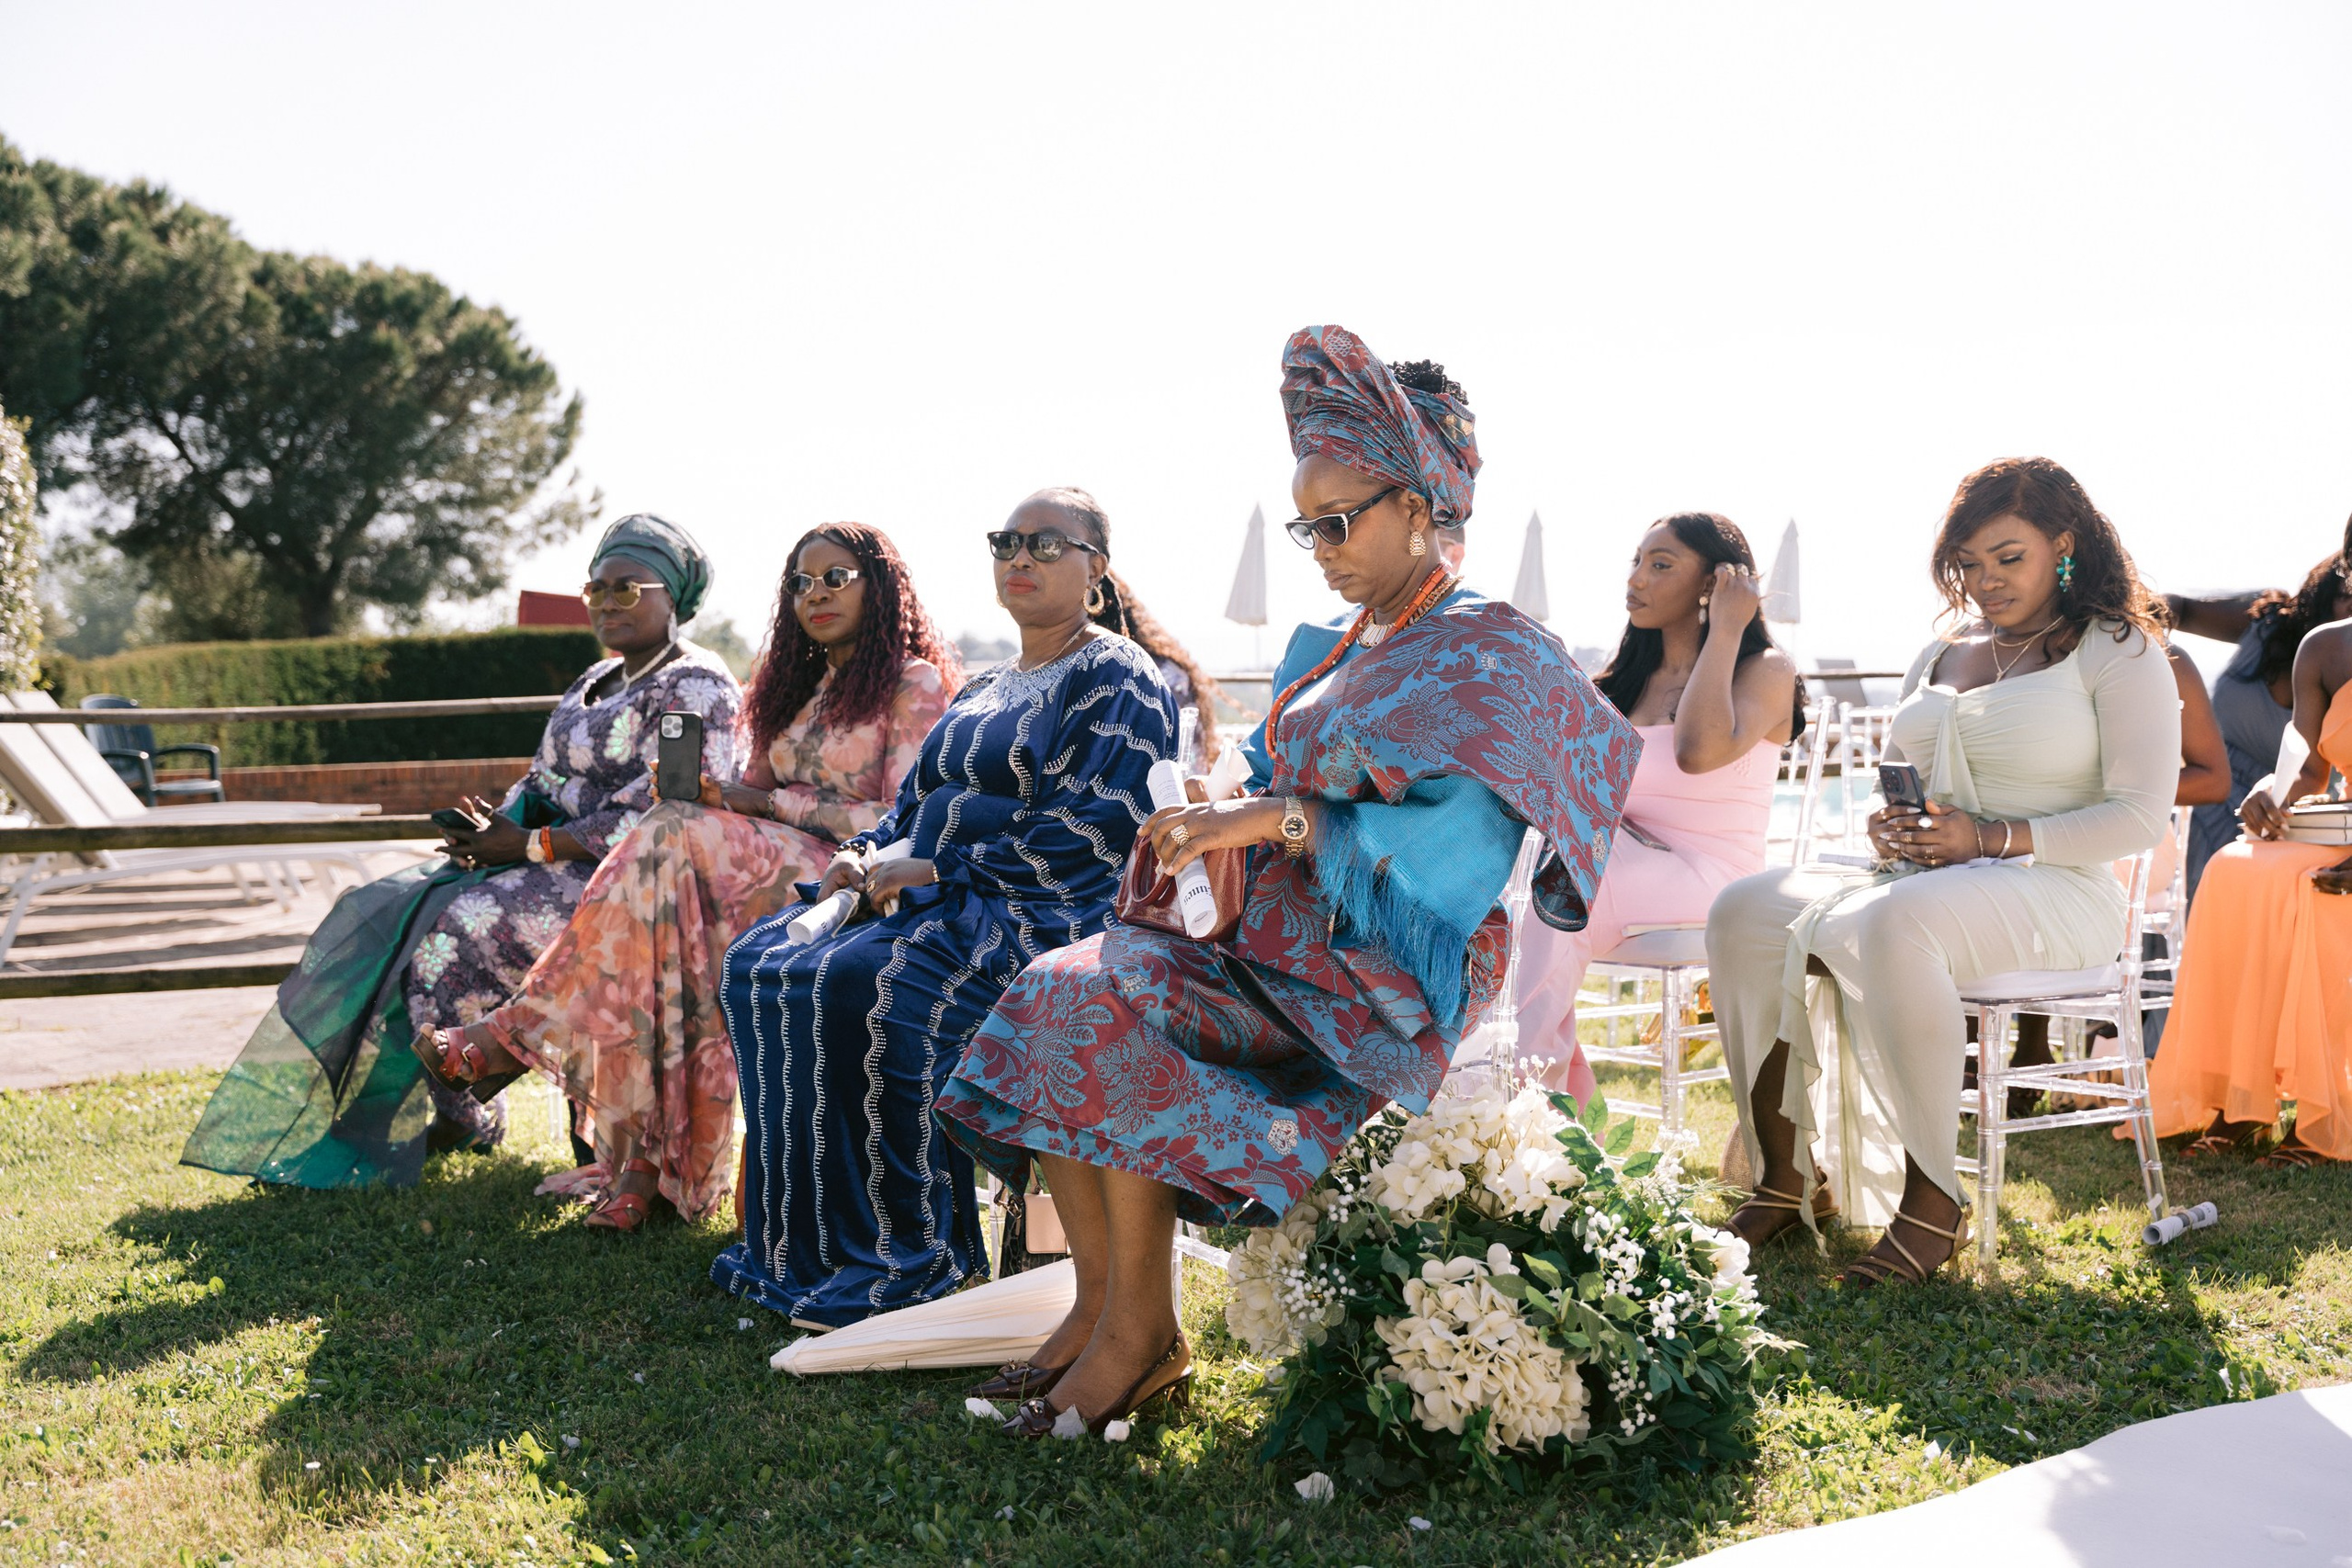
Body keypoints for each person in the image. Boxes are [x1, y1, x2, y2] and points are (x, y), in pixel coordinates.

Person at [935, 326, 1637, 1436]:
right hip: (1257, 939)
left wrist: (1274, 815)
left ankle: (1140, 1339)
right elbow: (1262, 765)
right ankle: (1097, 1313)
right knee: (1048, 987)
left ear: (1419, 506)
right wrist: (1211, 796)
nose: (1319, 545)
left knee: (1099, 1000)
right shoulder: (1337, 642)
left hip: (1367, 972)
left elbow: (1455, 859)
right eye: (1305, 523)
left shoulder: (1491, 654)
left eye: (1338, 520)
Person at [713, 488, 1181, 1327]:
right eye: (1007, 541)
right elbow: (910, 803)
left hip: (1038, 909)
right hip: (932, 892)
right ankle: (796, 1249)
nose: (1020, 558)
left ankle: (909, 1255)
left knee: (864, 980)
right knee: (761, 962)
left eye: (1046, 543)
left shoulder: (1118, 672)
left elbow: (1101, 826)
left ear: (1097, 572)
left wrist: (938, 865)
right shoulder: (987, 684)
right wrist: (864, 855)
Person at [1706, 457, 2177, 1286]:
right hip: (1929, 879)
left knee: (1897, 923)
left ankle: (1932, 1202)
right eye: (1967, 563)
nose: (1984, 580)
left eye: (2007, 557)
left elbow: (2138, 815)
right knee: (1745, 907)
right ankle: (1786, 1179)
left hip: (2059, 890)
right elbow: (1898, 779)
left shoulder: (2117, 649)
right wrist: (1893, 825)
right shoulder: (1940, 651)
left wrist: (1987, 838)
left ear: (2063, 546)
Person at [408, 524, 958, 1228]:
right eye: (799, 582)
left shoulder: (911, 682)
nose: (814, 594)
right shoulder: (798, 687)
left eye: (835, 578)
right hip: (752, 874)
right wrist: (708, 791)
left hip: (847, 880)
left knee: (667, 840)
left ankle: (508, 1037)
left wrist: (762, 802)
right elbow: (743, 792)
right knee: (667, 922)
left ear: (880, 586)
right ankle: (644, 1168)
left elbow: (899, 817)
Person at [182, 515, 741, 1188]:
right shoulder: (595, 677)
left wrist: (531, 843)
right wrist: (495, 825)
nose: (605, 603)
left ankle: (477, 1109)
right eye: (595, 590)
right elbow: (541, 778)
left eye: (627, 588)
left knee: (457, 931)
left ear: (672, 597)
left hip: (628, 884)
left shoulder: (697, 685)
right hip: (542, 860)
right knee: (394, 912)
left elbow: (671, 811)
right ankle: (458, 1113)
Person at [1515, 512, 1803, 1100]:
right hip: (1616, 862)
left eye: (1661, 565)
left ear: (1714, 583)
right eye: (1637, 563)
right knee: (1516, 882)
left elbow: (1698, 752)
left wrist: (1725, 630)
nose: (1638, 580)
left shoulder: (1764, 671)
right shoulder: (1620, 683)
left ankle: (1527, 1104)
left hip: (1713, 877)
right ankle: (1537, 1103)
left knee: (1559, 889)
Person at [2149, 603, 2352, 1166]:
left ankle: (2324, 1110)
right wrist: (2269, 791)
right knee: (2234, 868)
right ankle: (2242, 1098)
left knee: (2316, 890)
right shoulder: (2323, 648)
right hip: (2344, 823)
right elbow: (2308, 772)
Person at [2171, 535, 2352, 902]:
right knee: (2233, 867)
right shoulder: (2309, 646)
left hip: (2321, 826)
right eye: (2345, 593)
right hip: (2242, 808)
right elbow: (2307, 774)